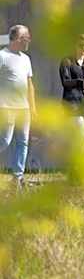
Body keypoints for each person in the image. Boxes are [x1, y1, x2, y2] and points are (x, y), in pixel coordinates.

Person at [0, 25, 36, 190]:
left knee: (23, 142)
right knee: (5, 141)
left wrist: (33, 107)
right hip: (6, 107)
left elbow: (30, 85)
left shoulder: (26, 59)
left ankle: (17, 177)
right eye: (26, 37)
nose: (28, 40)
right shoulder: (2, 56)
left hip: (24, 109)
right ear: (16, 39)